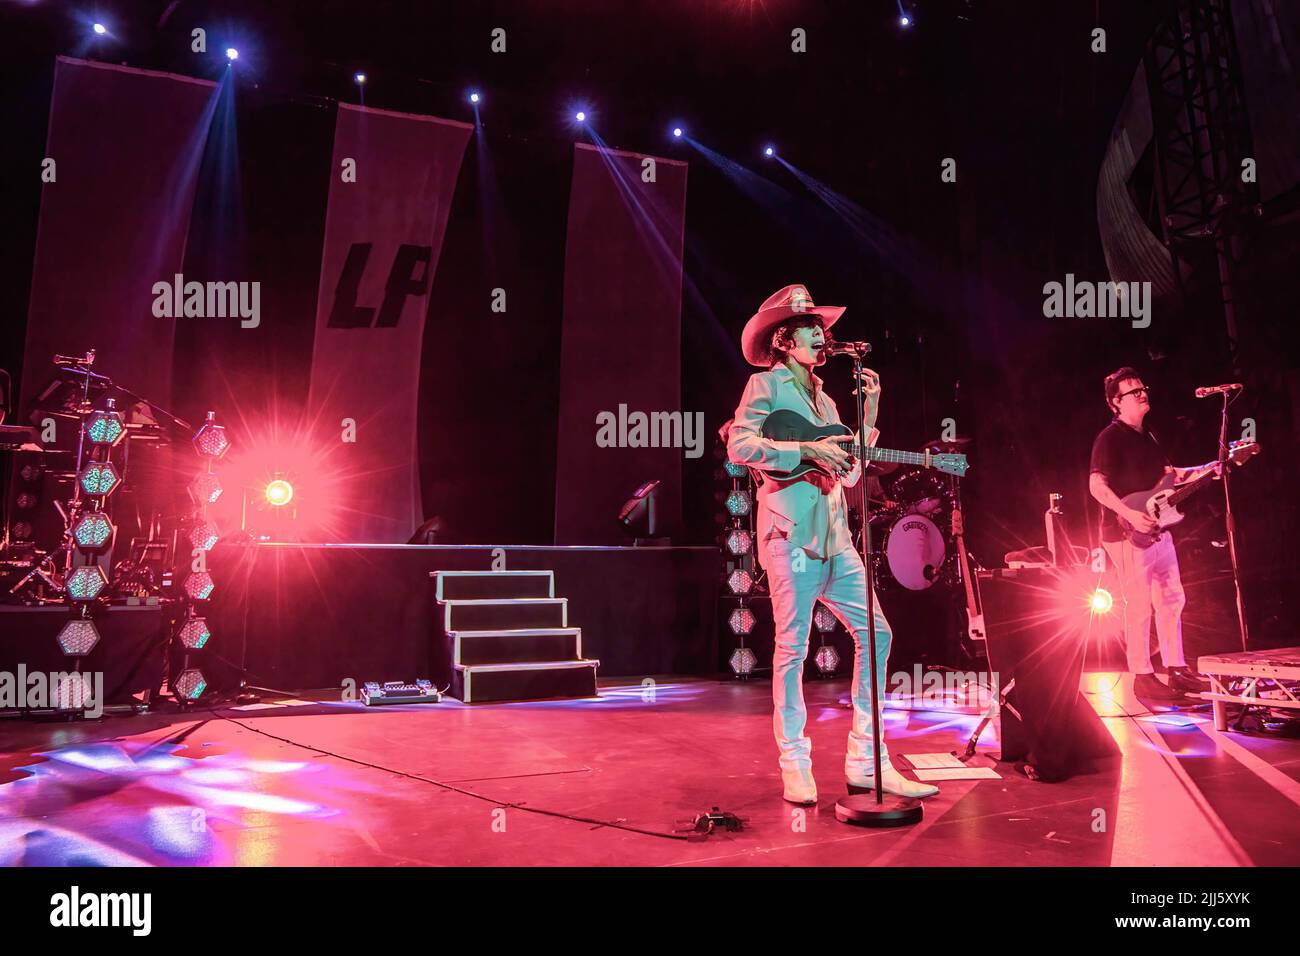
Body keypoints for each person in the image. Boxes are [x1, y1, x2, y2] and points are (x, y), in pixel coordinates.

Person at [727, 284, 938, 804]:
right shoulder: (764, 384)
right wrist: (805, 449)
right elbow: (740, 444)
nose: (822, 336)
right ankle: (795, 763)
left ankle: (869, 761)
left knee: (878, 634)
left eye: (822, 328)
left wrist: (869, 414)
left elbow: (849, 473)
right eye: (810, 328)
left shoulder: (826, 399)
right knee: (792, 649)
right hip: (790, 535)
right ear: (784, 340)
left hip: (836, 538)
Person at [1088, 367, 1218, 700]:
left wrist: (1209, 469)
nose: (1142, 393)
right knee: (1139, 604)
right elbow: (1096, 486)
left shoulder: (1149, 436)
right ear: (1116, 403)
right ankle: (1142, 676)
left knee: (1173, 598)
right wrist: (1129, 513)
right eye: (1133, 391)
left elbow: (1172, 476)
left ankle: (1177, 669)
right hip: (1125, 532)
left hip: (1158, 528)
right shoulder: (1109, 438)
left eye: (1142, 387)